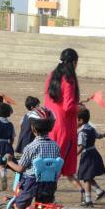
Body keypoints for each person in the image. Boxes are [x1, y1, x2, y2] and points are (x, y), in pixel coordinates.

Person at [3, 107, 61, 209]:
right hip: (49, 184)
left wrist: (9, 162)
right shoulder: (55, 146)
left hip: (32, 183)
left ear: (33, 128)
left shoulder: (31, 147)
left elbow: (21, 168)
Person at [44, 48, 87, 200]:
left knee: (48, 161)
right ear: (74, 63)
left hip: (49, 124)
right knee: (57, 163)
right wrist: (80, 107)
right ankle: (48, 195)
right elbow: (68, 107)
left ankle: (46, 193)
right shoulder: (69, 79)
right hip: (63, 126)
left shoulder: (52, 75)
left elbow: (49, 100)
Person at [77, 108, 105, 207]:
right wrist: (104, 135)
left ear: (81, 120)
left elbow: (81, 146)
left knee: (86, 178)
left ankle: (88, 200)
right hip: (94, 153)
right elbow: (98, 135)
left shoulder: (82, 132)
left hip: (87, 156)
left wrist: (75, 155)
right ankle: (99, 191)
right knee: (88, 176)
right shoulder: (90, 128)